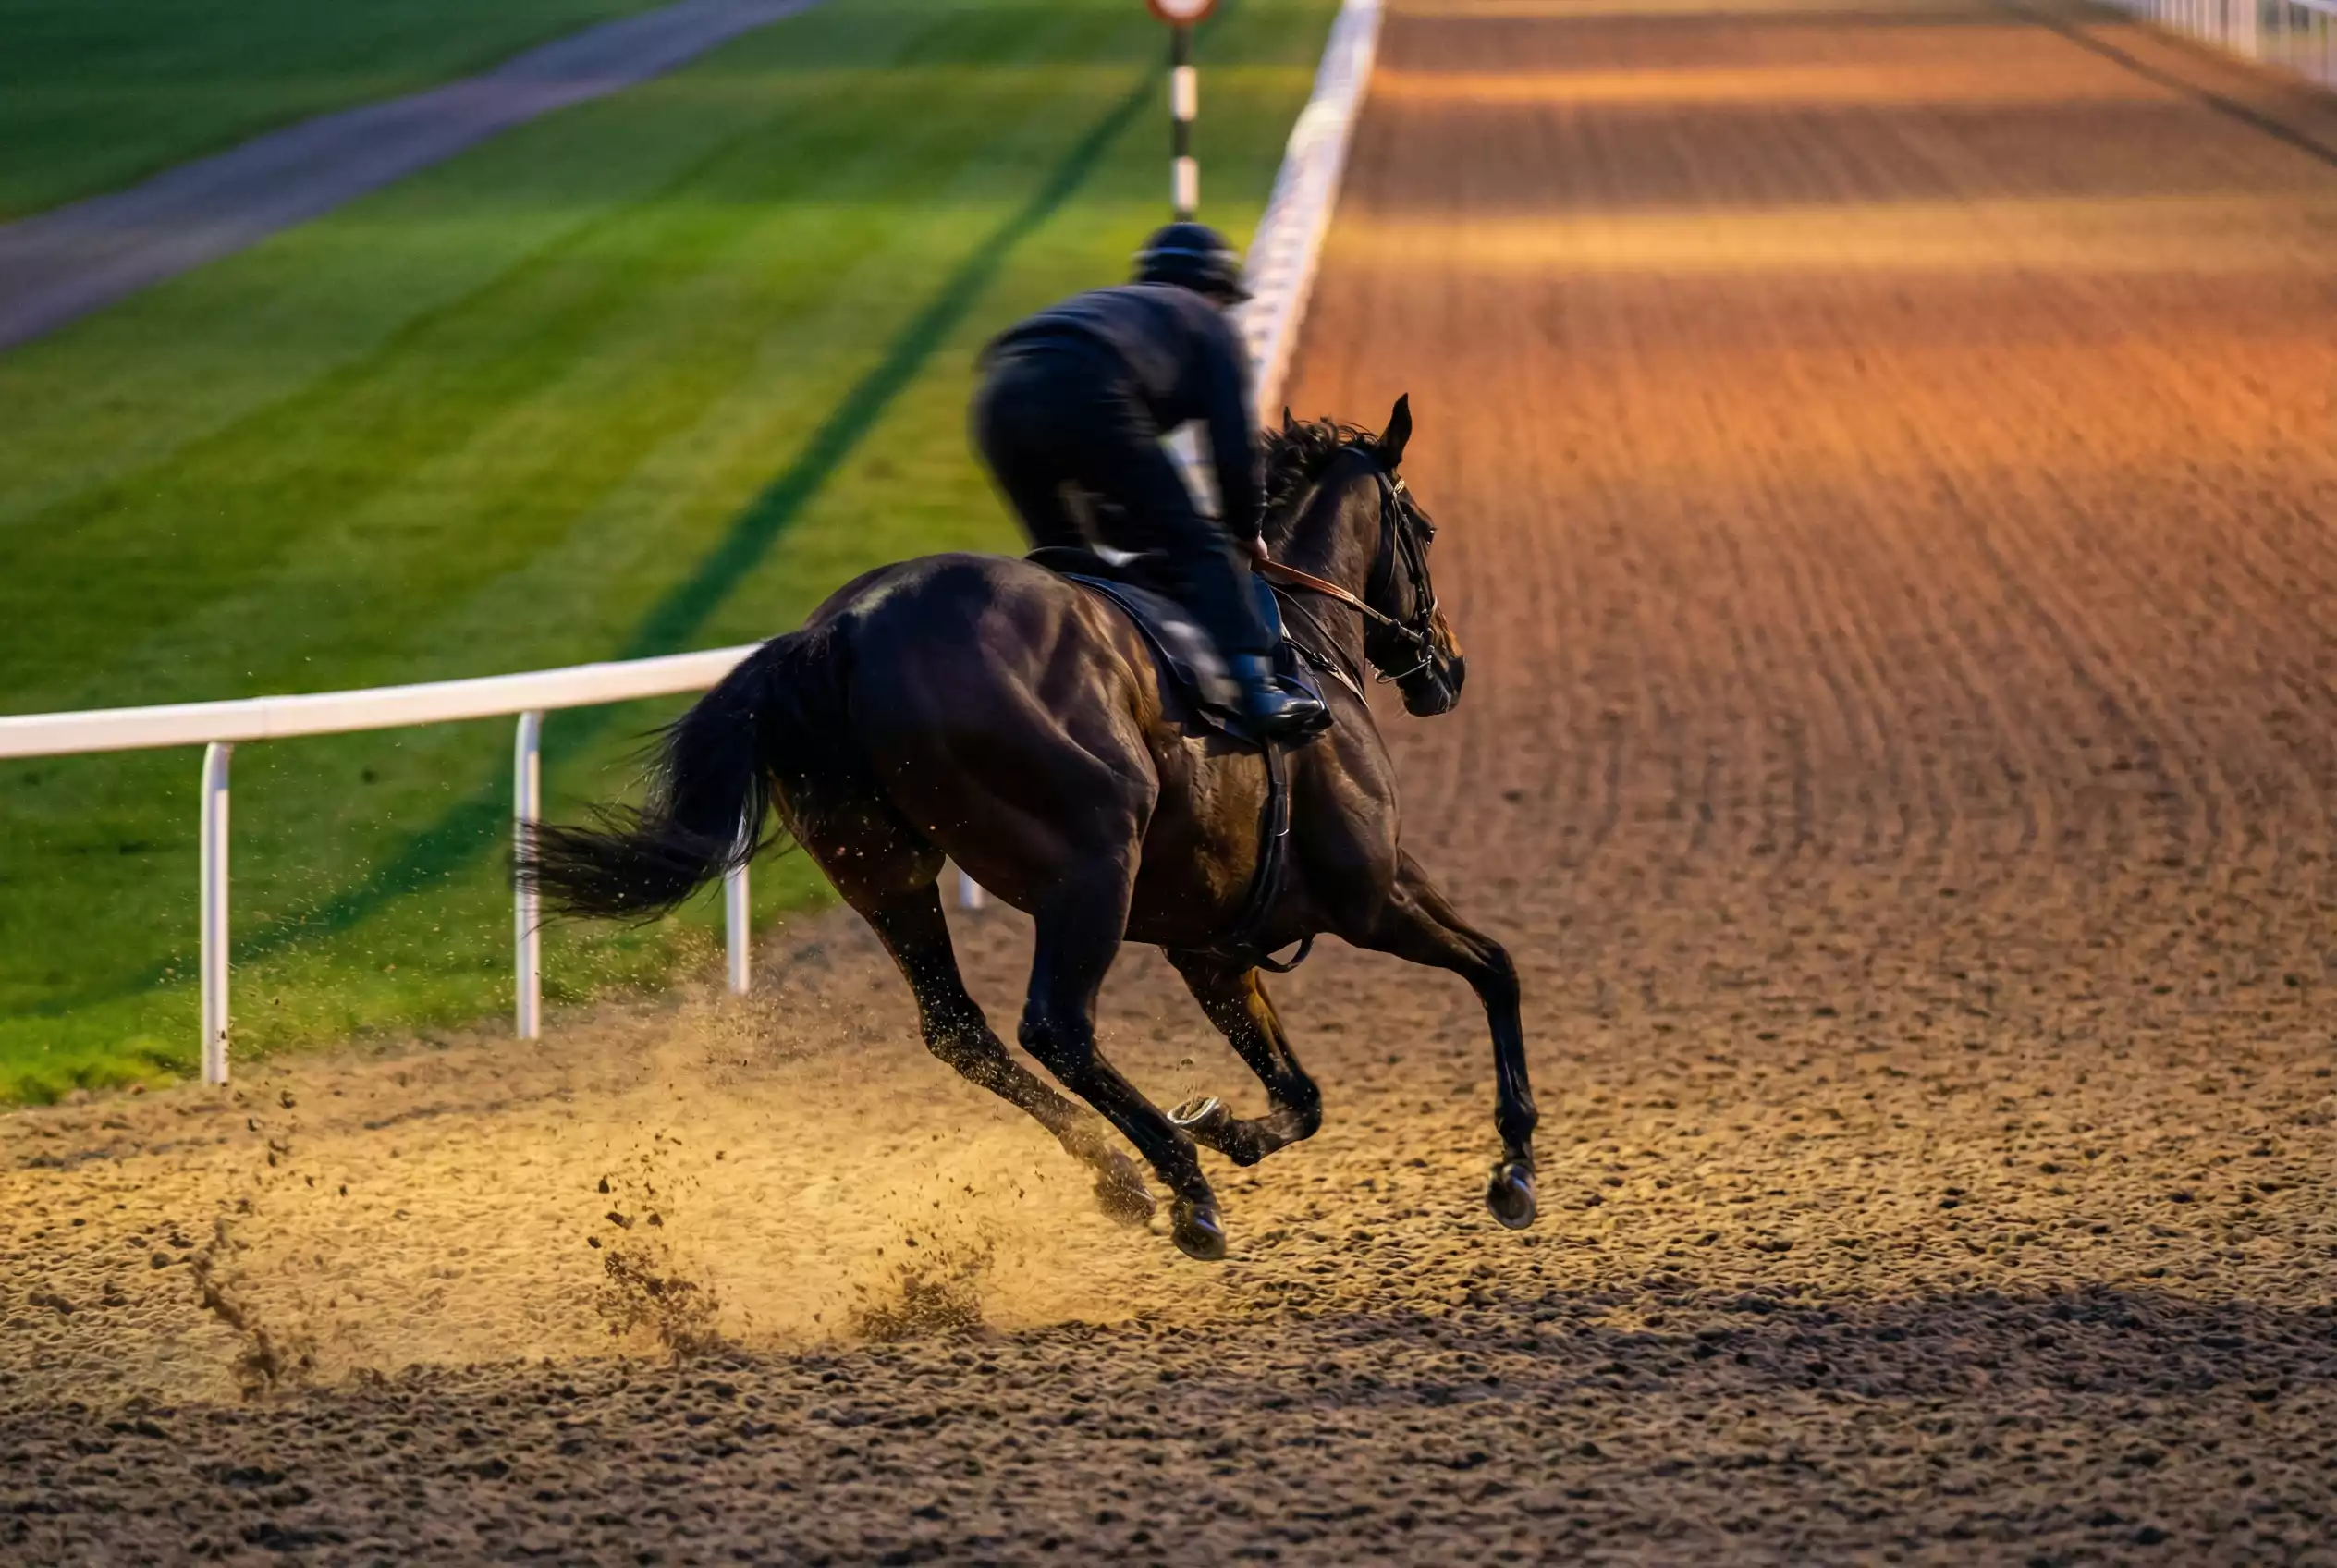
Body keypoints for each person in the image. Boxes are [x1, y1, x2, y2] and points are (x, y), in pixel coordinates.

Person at [973, 221, 1330, 741]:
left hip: (997, 398)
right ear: (1214, 291)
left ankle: (1051, 684)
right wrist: (1244, 528)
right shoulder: (1208, 326)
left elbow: (1109, 492)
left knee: (1065, 558)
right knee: (1200, 544)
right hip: (1087, 390)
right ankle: (1257, 692)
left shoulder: (1114, 306)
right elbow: (1233, 453)